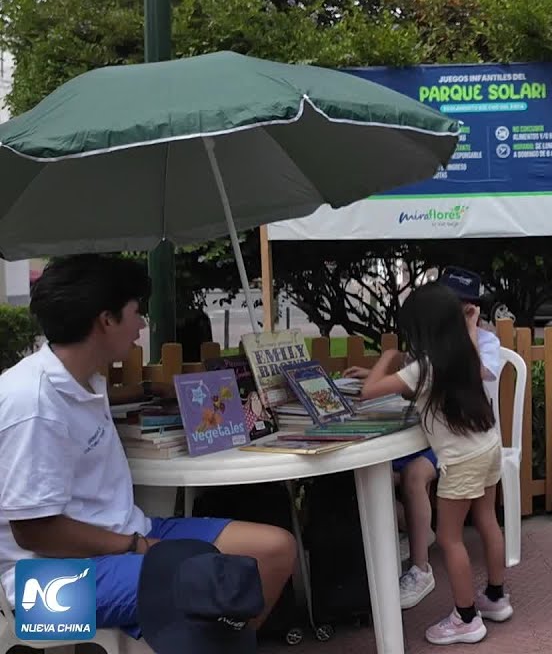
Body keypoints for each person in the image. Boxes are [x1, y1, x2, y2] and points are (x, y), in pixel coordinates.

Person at [0, 254, 297, 641]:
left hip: (123, 536)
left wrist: (151, 392)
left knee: (273, 550)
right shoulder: (33, 404)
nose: (142, 326)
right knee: (204, 586)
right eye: (135, 312)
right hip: (41, 587)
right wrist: (137, 546)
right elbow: (34, 533)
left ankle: (223, 647)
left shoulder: (84, 379)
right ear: (106, 320)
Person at [359, 281, 511, 645]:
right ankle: (495, 597)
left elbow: (369, 393)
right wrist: (471, 324)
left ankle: (466, 618)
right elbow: (421, 388)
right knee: (487, 520)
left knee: (448, 539)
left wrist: (388, 357)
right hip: (488, 446)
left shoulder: (423, 366)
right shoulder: (464, 353)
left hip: (461, 461)